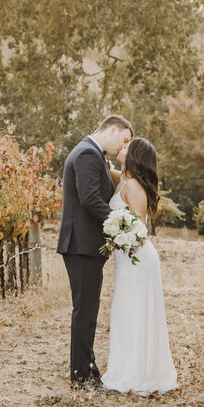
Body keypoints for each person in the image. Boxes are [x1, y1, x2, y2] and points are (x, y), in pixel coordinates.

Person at [57, 115, 132, 390]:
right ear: (112, 130)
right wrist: (121, 223)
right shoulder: (88, 153)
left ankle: (88, 371)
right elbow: (90, 198)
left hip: (85, 245)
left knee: (88, 310)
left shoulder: (91, 152)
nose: (122, 147)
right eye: (123, 140)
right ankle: (80, 376)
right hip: (82, 245)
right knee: (85, 311)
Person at [101, 137, 178, 395]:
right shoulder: (124, 179)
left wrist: (116, 235)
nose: (121, 148)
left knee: (132, 311)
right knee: (124, 309)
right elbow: (103, 167)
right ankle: (128, 368)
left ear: (133, 156)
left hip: (137, 257)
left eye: (126, 147)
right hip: (127, 257)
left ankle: (134, 375)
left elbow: (138, 227)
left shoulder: (133, 186)